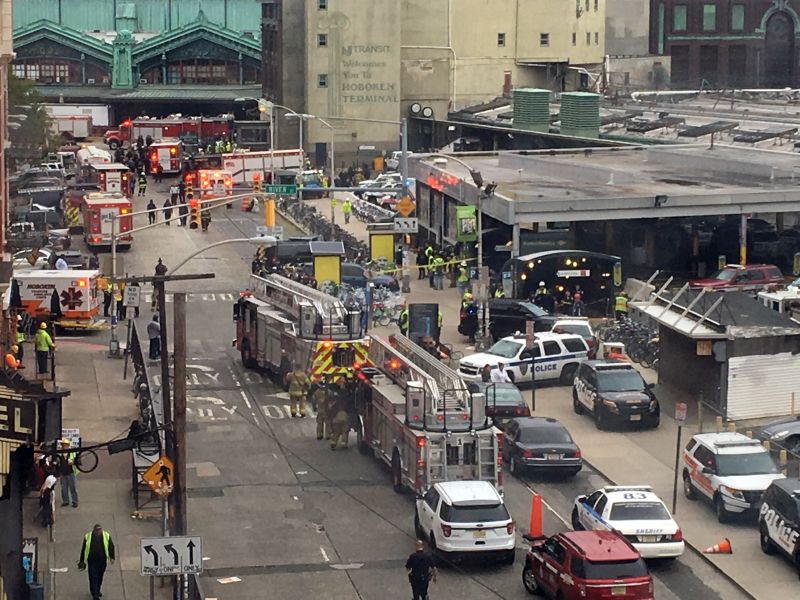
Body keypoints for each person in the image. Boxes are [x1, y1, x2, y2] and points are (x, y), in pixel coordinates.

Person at [78, 524, 115, 600]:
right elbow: (84, 548)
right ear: (94, 530)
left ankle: (97, 590)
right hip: (92, 560)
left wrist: (112, 557)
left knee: (100, 576)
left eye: (99, 530)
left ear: (101, 530)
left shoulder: (106, 535)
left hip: (102, 560)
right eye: (97, 530)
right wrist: (82, 560)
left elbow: (111, 546)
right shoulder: (88, 536)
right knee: (93, 576)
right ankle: (95, 595)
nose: (98, 532)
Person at [329, 379, 351, 450]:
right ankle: (343, 443)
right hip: (345, 416)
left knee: (336, 431)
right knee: (345, 431)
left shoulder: (335, 398)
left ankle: (333, 443)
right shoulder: (347, 398)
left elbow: (332, 409)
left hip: (336, 417)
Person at [58, 438, 79, 507]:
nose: (64, 446)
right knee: (64, 488)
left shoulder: (72, 452)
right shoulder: (60, 453)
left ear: (68, 445)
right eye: (63, 445)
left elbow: (78, 461)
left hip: (71, 472)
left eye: (65, 445)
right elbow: (58, 461)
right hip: (63, 473)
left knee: (73, 487)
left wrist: (73, 462)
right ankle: (65, 501)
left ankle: (75, 501)